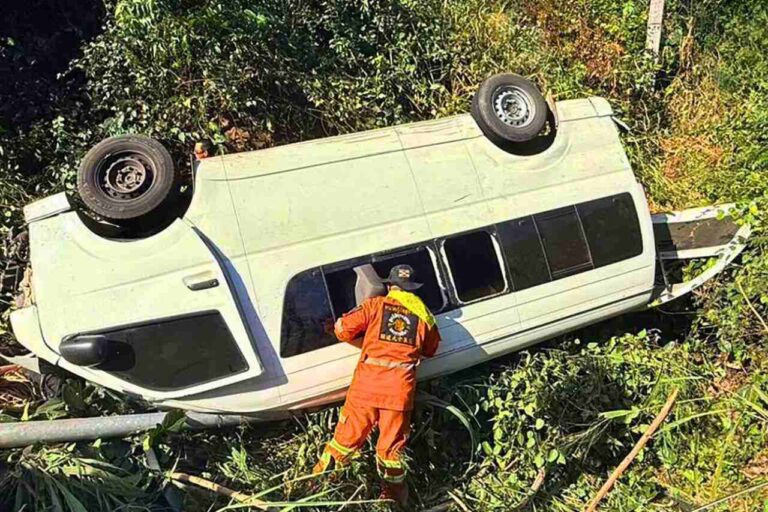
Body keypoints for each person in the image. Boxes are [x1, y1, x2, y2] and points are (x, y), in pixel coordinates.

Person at [312, 264, 442, 505]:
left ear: (389, 286)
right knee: (391, 453)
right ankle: (393, 500)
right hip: (398, 395)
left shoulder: (375, 305)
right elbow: (432, 350)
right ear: (413, 289)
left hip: (366, 390)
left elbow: (342, 330)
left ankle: (317, 488)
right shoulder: (424, 314)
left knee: (343, 443)